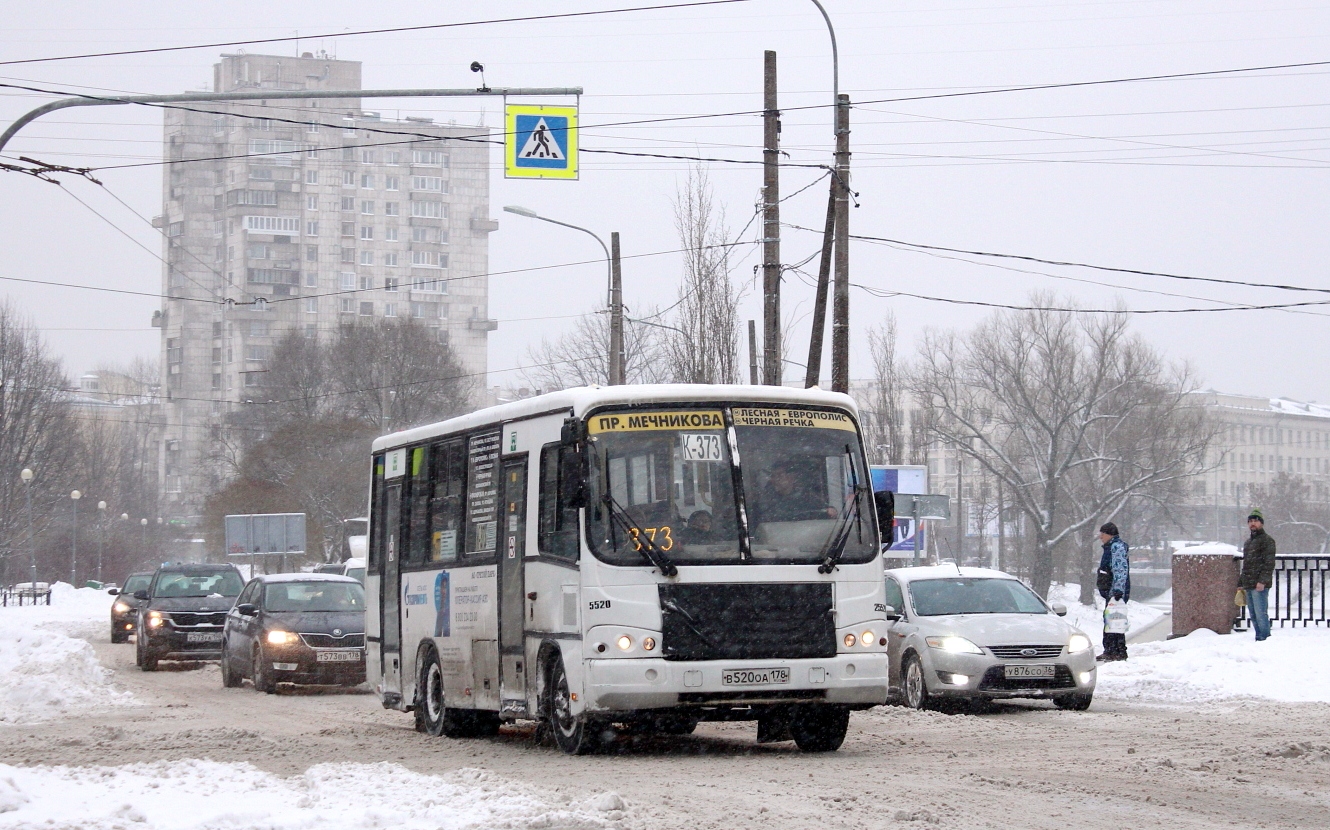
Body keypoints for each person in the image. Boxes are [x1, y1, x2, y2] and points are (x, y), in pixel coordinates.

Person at [754, 461, 838, 524]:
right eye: (773, 476)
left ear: (792, 477)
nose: (774, 479)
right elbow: (761, 523)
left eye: (779, 475)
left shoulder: (807, 498)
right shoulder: (765, 500)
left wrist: (831, 511)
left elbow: (827, 511)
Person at [1096, 522, 1131, 662]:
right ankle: (1112, 650)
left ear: (1109, 534)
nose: (1100, 537)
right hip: (1112, 590)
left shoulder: (1116, 547)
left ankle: (1116, 651)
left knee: (1114, 620)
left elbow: (1120, 569)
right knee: (1112, 619)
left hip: (1115, 591)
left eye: (1102, 534)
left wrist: (1118, 590)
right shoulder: (1111, 546)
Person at [1240, 509, 1276, 642]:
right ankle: (1259, 637)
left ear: (1261, 523)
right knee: (1253, 614)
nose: (1252, 524)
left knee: (1261, 613)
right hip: (1249, 582)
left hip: (1259, 584)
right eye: (1250, 521)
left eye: (1255, 521)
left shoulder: (1267, 541)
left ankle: (1265, 638)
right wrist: (1240, 582)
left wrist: (1262, 581)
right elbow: (1246, 564)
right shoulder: (1248, 543)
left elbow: (1269, 563)